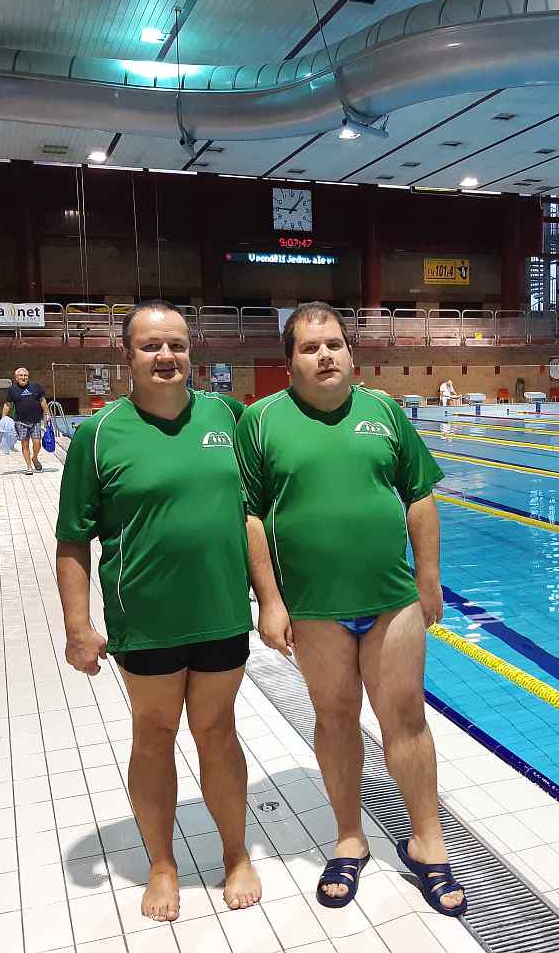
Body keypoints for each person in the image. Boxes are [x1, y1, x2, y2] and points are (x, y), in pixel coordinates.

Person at [235, 302, 466, 917]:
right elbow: (250, 515)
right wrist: (270, 601)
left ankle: (428, 842)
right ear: (289, 362)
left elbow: (419, 497)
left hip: (392, 601)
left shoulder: (384, 412)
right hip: (314, 609)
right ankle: (349, 838)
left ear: (351, 352)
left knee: (406, 719)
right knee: (335, 720)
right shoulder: (261, 421)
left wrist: (429, 578)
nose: (325, 355)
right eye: (310, 348)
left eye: (334, 344)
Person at [55, 299, 262, 921]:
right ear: (128, 356)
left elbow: (257, 512)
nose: (166, 355)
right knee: (154, 734)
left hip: (222, 612)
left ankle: (235, 854)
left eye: (176, 344)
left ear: (191, 352)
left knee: (218, 731)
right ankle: (163, 864)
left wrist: (276, 599)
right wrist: (77, 626)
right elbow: (73, 539)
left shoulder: (228, 417)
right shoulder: (98, 435)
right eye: (151, 346)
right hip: (144, 620)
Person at [2, 366, 50, 474]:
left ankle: (35, 458)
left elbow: (42, 401)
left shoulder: (36, 387)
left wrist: (47, 413)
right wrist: (3, 418)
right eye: (21, 375)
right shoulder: (12, 390)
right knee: (25, 444)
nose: (23, 377)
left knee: (37, 443)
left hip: (35, 421)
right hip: (20, 422)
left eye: (25, 375)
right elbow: (7, 404)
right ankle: (29, 467)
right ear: (16, 378)